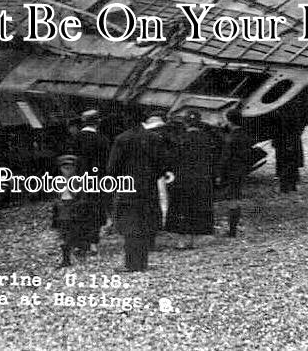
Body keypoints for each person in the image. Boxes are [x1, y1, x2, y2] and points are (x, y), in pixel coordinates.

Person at [107, 112, 167, 272]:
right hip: (148, 186)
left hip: (128, 187)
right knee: (145, 223)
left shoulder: (121, 139)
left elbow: (112, 168)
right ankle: (143, 263)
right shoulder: (154, 138)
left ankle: (131, 264)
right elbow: (162, 165)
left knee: (130, 226)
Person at [166, 111, 217, 248]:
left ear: (185, 122)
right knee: (198, 207)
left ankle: (182, 240)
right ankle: (195, 238)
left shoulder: (180, 139)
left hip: (183, 178)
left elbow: (173, 158)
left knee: (182, 207)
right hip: (202, 177)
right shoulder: (207, 139)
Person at [65, 109, 111, 249]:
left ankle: (79, 242)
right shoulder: (103, 140)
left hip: (77, 180)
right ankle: (92, 243)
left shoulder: (74, 139)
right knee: (95, 210)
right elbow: (107, 163)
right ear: (98, 122)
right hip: (97, 180)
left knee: (78, 209)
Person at [54, 154, 97, 266]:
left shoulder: (80, 181)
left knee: (76, 231)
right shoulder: (58, 182)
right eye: (64, 168)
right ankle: (66, 257)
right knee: (64, 233)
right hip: (63, 210)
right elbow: (56, 197)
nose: (67, 170)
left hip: (76, 210)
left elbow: (85, 198)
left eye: (70, 167)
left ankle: (79, 249)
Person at [217, 111, 255, 238]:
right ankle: (233, 228)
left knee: (232, 199)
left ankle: (232, 231)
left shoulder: (231, 137)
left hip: (231, 171)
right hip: (241, 170)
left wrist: (219, 174)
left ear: (230, 121)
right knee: (236, 198)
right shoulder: (245, 135)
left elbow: (225, 157)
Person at [273, 124, 304, 193]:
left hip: (285, 146)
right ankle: (290, 186)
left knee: (286, 166)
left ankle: (287, 187)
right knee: (289, 166)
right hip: (286, 145)